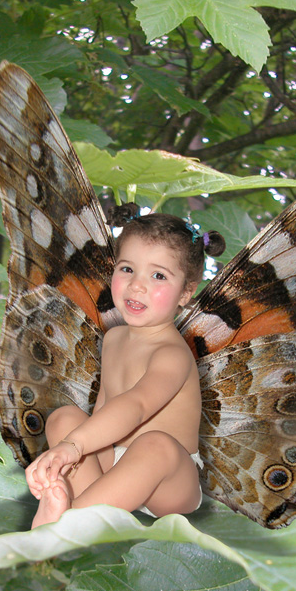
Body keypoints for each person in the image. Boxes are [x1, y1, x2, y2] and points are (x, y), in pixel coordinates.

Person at [26, 204, 226, 528]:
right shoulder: (115, 338)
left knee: (154, 444)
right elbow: (107, 408)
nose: (136, 286)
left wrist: (73, 448)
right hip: (118, 463)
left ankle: (61, 527)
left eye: (158, 275)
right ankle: (74, 502)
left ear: (186, 293)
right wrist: (71, 444)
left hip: (168, 481)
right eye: (127, 269)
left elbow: (135, 406)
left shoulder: (171, 354)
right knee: (64, 417)